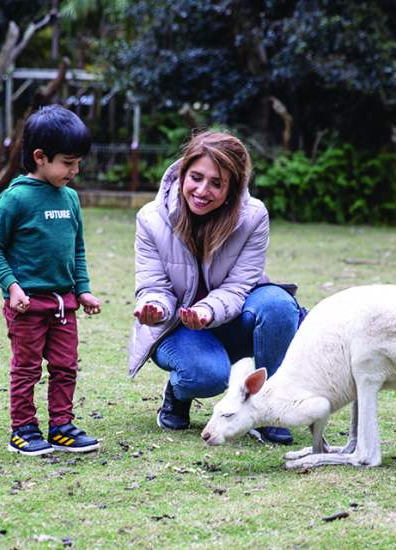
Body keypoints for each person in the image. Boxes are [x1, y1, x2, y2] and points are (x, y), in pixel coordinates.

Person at [127, 131, 304, 444]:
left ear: (232, 188)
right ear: (183, 173)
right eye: (196, 177)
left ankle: (269, 409)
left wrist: (207, 310)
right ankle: (179, 392)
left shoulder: (253, 216)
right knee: (206, 375)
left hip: (231, 315)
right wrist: (155, 308)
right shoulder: (150, 218)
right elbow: (153, 285)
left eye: (216, 183)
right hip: (178, 327)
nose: (202, 190)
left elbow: (239, 287)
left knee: (279, 305)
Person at [0, 105, 102, 456]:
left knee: (66, 367)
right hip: (27, 306)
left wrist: (83, 290)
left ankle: (62, 427)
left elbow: (76, 250)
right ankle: (23, 429)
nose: (75, 170)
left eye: (78, 162)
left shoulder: (71, 199)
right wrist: (12, 286)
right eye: (68, 162)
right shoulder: (15, 198)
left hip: (64, 305)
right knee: (27, 369)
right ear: (40, 157)